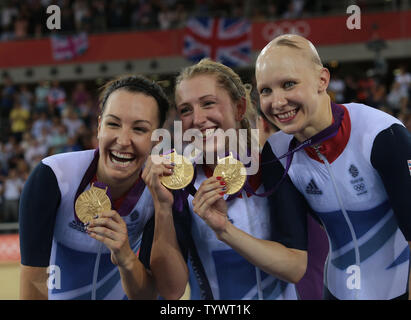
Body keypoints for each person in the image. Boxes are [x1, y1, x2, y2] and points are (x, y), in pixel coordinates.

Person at [140, 59, 314, 300]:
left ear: (239, 108)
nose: (198, 119)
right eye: (186, 110)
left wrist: (225, 231)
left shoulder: (275, 168)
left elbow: (294, 268)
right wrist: (162, 207)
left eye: (208, 103)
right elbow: (171, 291)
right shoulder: (177, 184)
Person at [255, 34, 411, 300]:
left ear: (322, 80)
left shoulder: (381, 135)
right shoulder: (276, 152)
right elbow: (294, 255)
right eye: (265, 91)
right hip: (337, 291)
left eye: (288, 84)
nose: (277, 102)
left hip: (399, 289)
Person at [19, 75, 170, 300]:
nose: (123, 140)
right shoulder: (54, 177)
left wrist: (126, 257)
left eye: (139, 129)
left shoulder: (159, 191)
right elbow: (32, 284)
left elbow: (148, 296)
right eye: (113, 124)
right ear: (99, 126)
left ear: (157, 141)